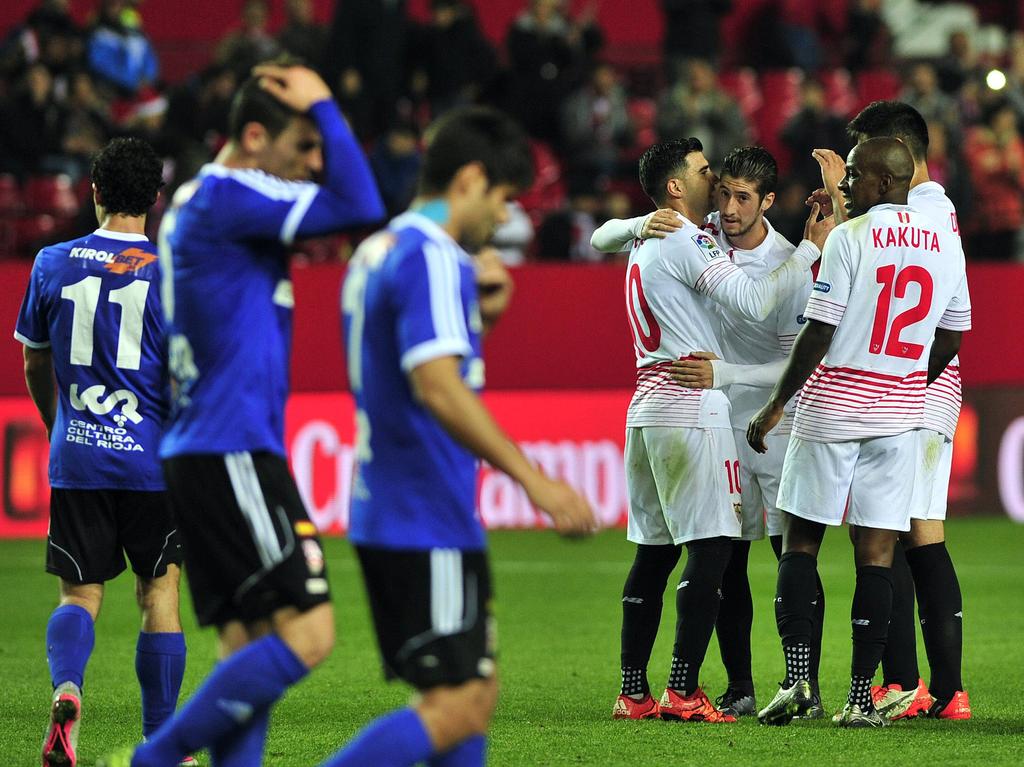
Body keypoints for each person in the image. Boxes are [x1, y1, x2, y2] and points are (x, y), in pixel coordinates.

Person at [99, 62, 384, 767]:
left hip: (205, 445)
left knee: (247, 649)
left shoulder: (201, 205)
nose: (314, 164)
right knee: (310, 635)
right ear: (254, 136)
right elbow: (359, 203)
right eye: (301, 146)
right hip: (232, 447)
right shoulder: (232, 193)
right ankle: (157, 755)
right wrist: (326, 102)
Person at [326, 105, 596, 767]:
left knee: (473, 696)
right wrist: (535, 480)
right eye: (503, 198)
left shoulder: (379, 247)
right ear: (471, 179)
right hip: (421, 510)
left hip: (406, 503)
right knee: (460, 703)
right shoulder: (433, 256)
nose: (505, 218)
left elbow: (412, 364)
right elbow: (439, 387)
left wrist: (478, 325)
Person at [589, 138, 827, 723]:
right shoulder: (691, 237)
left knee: (653, 553)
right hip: (692, 409)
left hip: (647, 405)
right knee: (716, 549)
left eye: (736, 191)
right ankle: (682, 689)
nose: (715, 188)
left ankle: (633, 691)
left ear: (765, 201)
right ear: (677, 186)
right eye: (705, 176)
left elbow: (600, 237)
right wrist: (810, 252)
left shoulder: (646, 237)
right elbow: (749, 300)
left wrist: (633, 222)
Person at [750, 137, 970, 728]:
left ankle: (799, 683)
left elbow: (819, 332)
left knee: (801, 543)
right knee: (876, 554)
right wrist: (903, 380)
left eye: (853, 177)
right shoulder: (946, 244)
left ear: (881, 182)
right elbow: (951, 337)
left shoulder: (851, 237)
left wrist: (776, 405)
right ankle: (859, 699)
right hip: (898, 417)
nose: (845, 186)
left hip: (831, 410)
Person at [14, 137, 193, 767]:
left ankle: (68, 692)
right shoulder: (173, 272)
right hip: (150, 458)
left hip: (79, 454)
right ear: (155, 200)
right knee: (160, 593)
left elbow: (35, 360)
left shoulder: (51, 261)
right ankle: (164, 743)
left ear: (92, 191)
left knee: (79, 597)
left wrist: (59, 419)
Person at [806, 100, 975, 720]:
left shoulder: (924, 207)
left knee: (910, 531)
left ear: (898, 154)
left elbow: (875, 252)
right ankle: (921, 685)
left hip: (911, 383)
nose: (857, 172)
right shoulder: (937, 211)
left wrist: (838, 199)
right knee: (902, 530)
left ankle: (923, 684)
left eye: (865, 159)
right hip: (914, 381)